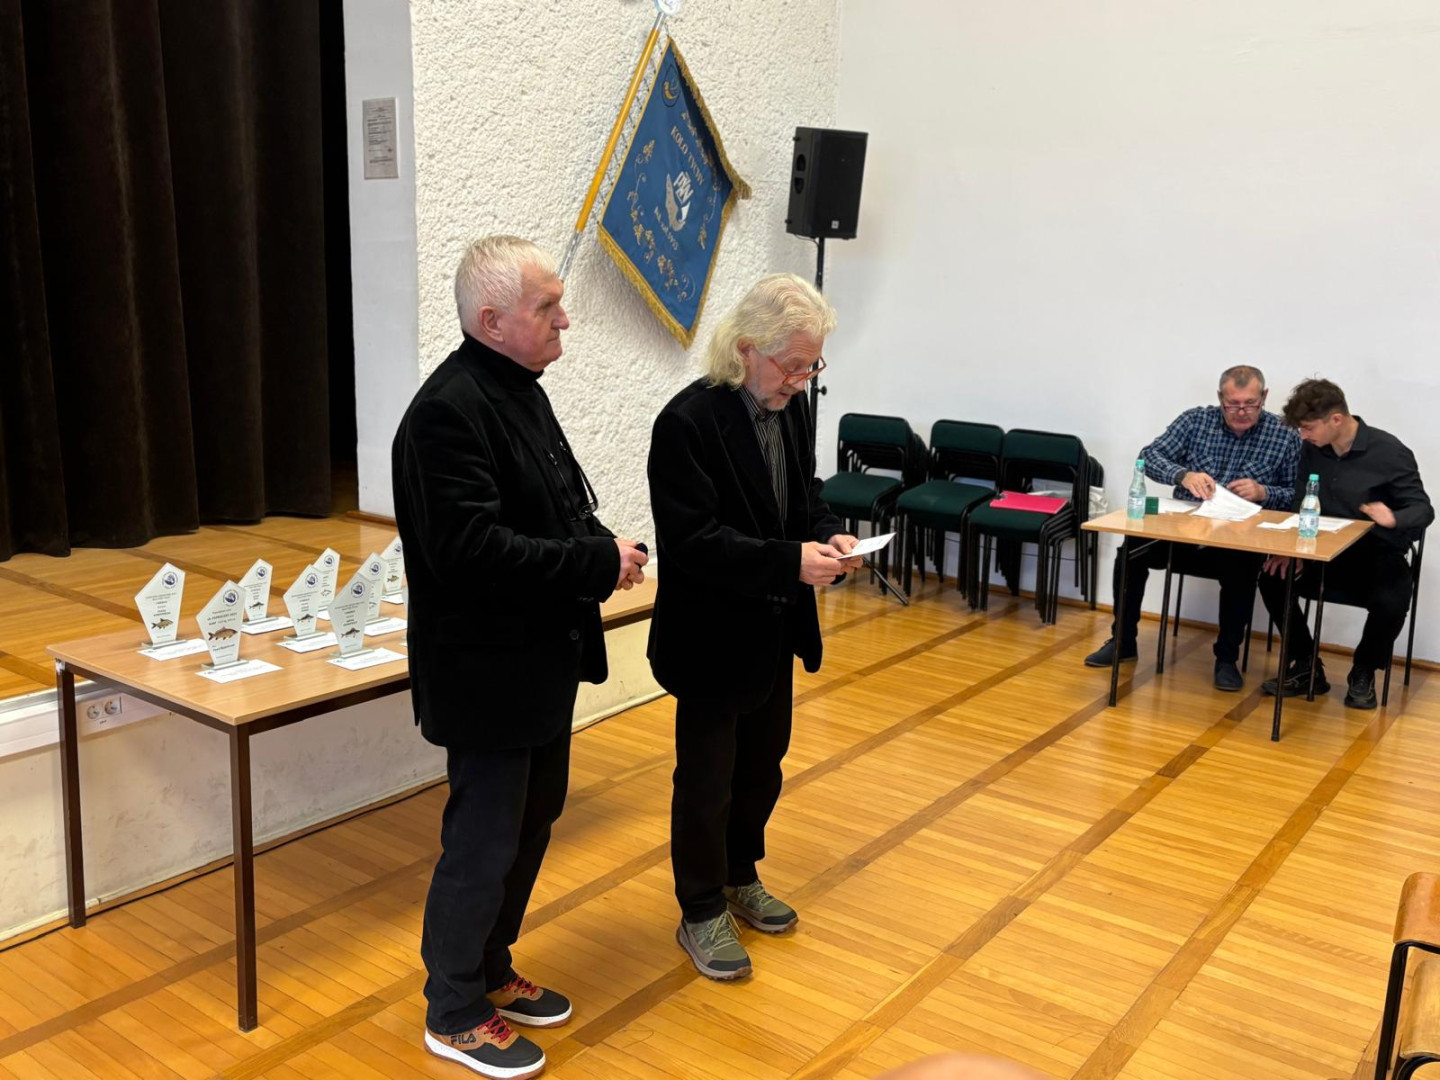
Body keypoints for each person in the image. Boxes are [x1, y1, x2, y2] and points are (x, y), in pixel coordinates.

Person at [392, 235, 648, 1079]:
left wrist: (604, 548)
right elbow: (470, 553)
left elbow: (551, 507)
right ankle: (453, 1010)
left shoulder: (518, 390)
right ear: (492, 320)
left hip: (536, 662)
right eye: (548, 306)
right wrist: (592, 563)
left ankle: (490, 969)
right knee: (482, 843)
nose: (564, 319)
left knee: (532, 822)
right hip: (485, 674)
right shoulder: (445, 413)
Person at [647, 273, 862, 981]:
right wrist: (789, 561)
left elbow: (804, 498)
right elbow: (694, 543)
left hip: (773, 628)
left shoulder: (789, 409)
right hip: (711, 638)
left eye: (812, 365)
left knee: (762, 768)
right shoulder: (687, 424)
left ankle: (741, 874)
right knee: (706, 781)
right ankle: (700, 907)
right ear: (746, 349)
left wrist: (829, 535)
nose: (802, 380)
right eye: (792, 365)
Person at [1084, 365, 1301, 690]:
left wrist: (1263, 492)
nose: (1241, 412)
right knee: (1132, 550)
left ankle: (1226, 658)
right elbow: (1149, 457)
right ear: (1220, 398)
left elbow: (1297, 496)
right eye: (1232, 405)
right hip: (1185, 531)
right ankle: (1123, 641)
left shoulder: (1284, 435)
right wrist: (1183, 475)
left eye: (1250, 404)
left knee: (1242, 567)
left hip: (1239, 537)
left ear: (1264, 397)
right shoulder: (1195, 421)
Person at [1258, 378, 1432, 709]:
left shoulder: (1390, 452)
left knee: (1393, 598)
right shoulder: (1313, 450)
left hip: (1376, 552)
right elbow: (1300, 502)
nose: (1303, 435)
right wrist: (1289, 548)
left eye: (1308, 428)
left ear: (1336, 419)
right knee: (1272, 576)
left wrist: (1393, 518)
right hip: (1322, 550)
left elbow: (1423, 509)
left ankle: (1364, 669)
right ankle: (1307, 665)